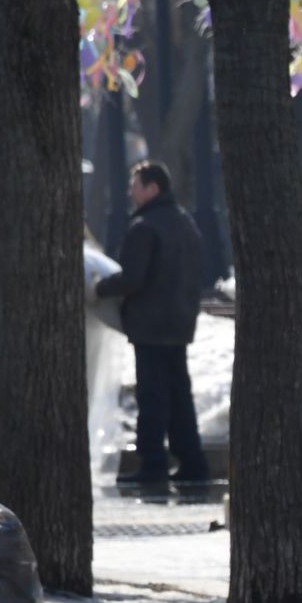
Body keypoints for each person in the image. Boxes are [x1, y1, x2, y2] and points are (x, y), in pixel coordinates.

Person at [95, 160, 208, 488]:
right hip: (180, 323)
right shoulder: (186, 223)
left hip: (150, 324)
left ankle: (153, 463)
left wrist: (99, 288)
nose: (131, 192)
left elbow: (132, 278)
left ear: (152, 188)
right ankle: (192, 460)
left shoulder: (144, 226)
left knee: (153, 396)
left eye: (136, 185)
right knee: (178, 396)